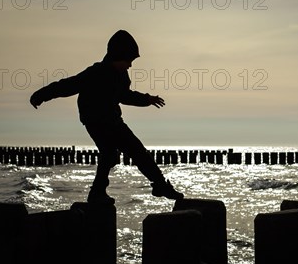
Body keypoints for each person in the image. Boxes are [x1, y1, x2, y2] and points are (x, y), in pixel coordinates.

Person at [30, 30, 184, 204]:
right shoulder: (95, 73)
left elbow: (125, 96)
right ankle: (97, 192)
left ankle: (160, 185)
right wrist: (42, 95)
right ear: (117, 57)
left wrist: (147, 99)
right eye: (128, 61)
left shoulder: (122, 76)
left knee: (138, 151)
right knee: (110, 153)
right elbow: (68, 85)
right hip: (94, 120)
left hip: (113, 120)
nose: (130, 65)